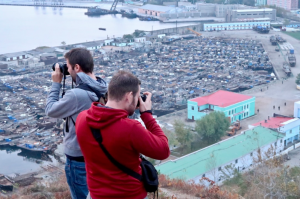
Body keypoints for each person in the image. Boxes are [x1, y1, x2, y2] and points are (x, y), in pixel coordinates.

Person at [76, 71, 170, 199]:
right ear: (129, 96)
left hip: (95, 195)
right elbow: (163, 150)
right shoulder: (131, 128)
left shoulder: (82, 118)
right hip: (130, 195)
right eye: (137, 97)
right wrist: (147, 114)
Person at [45, 48, 107, 199]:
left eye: (68, 66)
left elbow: (50, 110)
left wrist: (56, 84)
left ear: (77, 67)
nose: (67, 70)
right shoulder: (104, 86)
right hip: (100, 155)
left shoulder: (77, 95)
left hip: (79, 160)